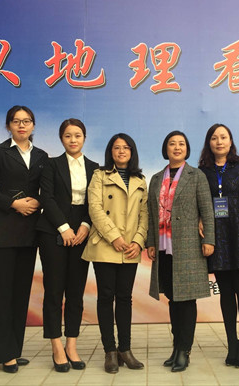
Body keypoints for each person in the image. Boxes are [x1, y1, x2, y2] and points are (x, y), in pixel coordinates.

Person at [0, 105, 48, 373]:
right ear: (8, 125)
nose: (21, 125)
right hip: (3, 232)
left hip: (30, 232)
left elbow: (47, 190)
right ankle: (4, 353)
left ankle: (14, 350)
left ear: (33, 125)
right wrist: (13, 204)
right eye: (16, 121)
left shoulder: (41, 156)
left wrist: (38, 201)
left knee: (21, 294)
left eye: (26, 121)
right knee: (3, 294)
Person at [146, 131, 215, 373]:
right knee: (173, 299)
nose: (177, 147)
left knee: (186, 300)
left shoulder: (196, 176)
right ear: (165, 149)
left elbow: (207, 210)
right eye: (172, 144)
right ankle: (176, 347)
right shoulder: (156, 178)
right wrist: (150, 242)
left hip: (188, 247)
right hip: (164, 248)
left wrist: (209, 239)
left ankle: (185, 350)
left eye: (181, 144)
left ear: (187, 149)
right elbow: (151, 214)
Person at [198, 123, 239, 368]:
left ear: (230, 141)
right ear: (209, 143)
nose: (219, 142)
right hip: (217, 234)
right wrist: (199, 219)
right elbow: (199, 201)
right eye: (214, 138)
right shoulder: (202, 171)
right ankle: (232, 342)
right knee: (225, 291)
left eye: (223, 137)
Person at [36, 119, 99, 372]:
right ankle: (56, 346)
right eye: (68, 136)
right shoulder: (51, 164)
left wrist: (85, 225)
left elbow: (94, 202)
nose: (73, 140)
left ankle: (71, 345)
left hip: (82, 232)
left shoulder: (95, 168)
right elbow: (46, 198)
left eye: (78, 135)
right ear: (61, 138)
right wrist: (64, 228)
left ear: (84, 138)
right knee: (54, 291)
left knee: (75, 292)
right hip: (53, 230)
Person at [82, 133, 148, 374]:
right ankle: (110, 351)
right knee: (105, 297)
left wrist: (138, 241)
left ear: (132, 152)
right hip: (105, 245)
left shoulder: (140, 179)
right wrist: (114, 237)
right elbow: (95, 208)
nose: (121, 151)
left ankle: (125, 349)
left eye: (126, 148)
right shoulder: (99, 175)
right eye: (117, 147)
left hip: (130, 247)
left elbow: (145, 214)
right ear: (110, 151)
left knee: (124, 298)